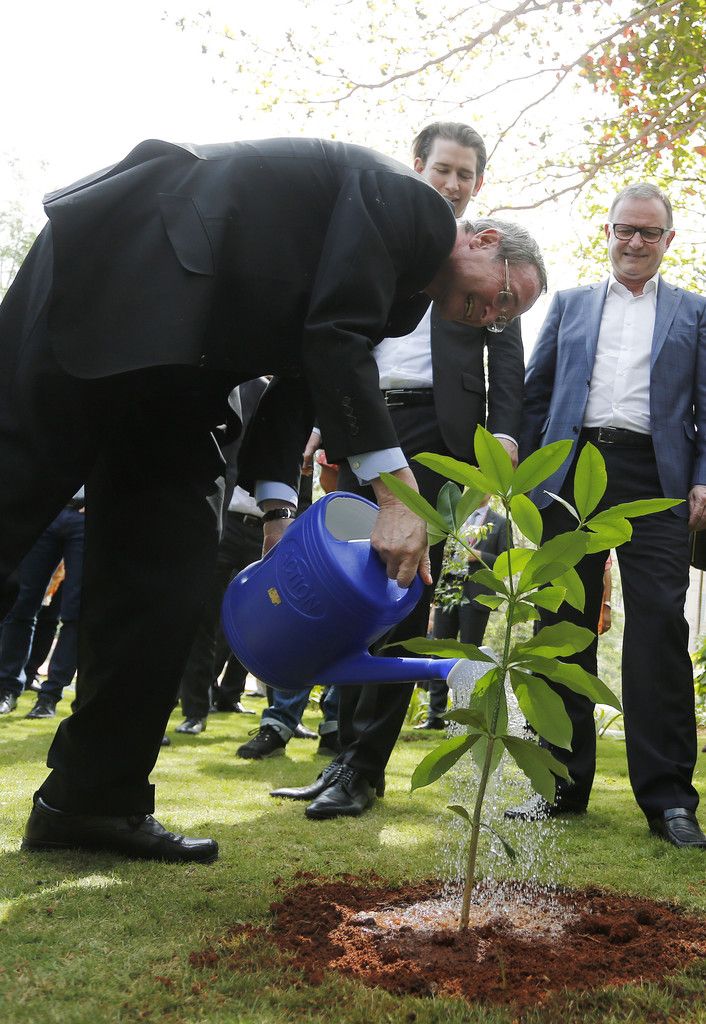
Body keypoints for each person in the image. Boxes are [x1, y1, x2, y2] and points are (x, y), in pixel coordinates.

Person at [1, 136, 545, 863]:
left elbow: (303, 382)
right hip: (116, 275)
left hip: (177, 372)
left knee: (167, 577)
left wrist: (278, 511)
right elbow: (332, 335)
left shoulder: (403, 307)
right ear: (480, 238)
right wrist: (397, 489)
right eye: (503, 295)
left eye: (506, 319)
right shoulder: (415, 211)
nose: (492, 318)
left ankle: (91, 802)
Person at [272, 122, 529, 819]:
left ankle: (364, 767)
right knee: (340, 593)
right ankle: (337, 757)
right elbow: (341, 339)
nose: (452, 183)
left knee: (398, 597)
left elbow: (506, 353)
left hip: (436, 437)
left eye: (465, 174)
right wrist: (331, 417)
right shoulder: (376, 234)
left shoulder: (487, 259)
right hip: (365, 427)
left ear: (479, 184)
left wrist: (502, 434)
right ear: (417, 166)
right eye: (442, 169)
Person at [510, 182, 706, 850]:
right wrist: (528, 481)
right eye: (626, 229)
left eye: (649, 233)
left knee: (657, 633)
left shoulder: (694, 312)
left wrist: (702, 479)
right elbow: (535, 399)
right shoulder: (567, 306)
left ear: (668, 241)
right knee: (561, 630)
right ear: (607, 232)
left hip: (656, 482)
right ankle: (558, 787)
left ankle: (671, 800)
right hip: (572, 476)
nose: (635, 242)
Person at [421, 496, 509, 728]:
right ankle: (435, 716)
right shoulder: (454, 519)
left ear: (489, 492)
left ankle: (463, 717)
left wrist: (480, 556)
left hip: (478, 595)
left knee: (470, 654)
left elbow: (506, 560)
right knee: (440, 650)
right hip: (447, 592)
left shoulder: (500, 522)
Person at [0, 492, 85, 719]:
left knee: (74, 612)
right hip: (50, 509)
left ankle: (50, 696)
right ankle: (7, 689)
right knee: (21, 602)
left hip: (85, 515)